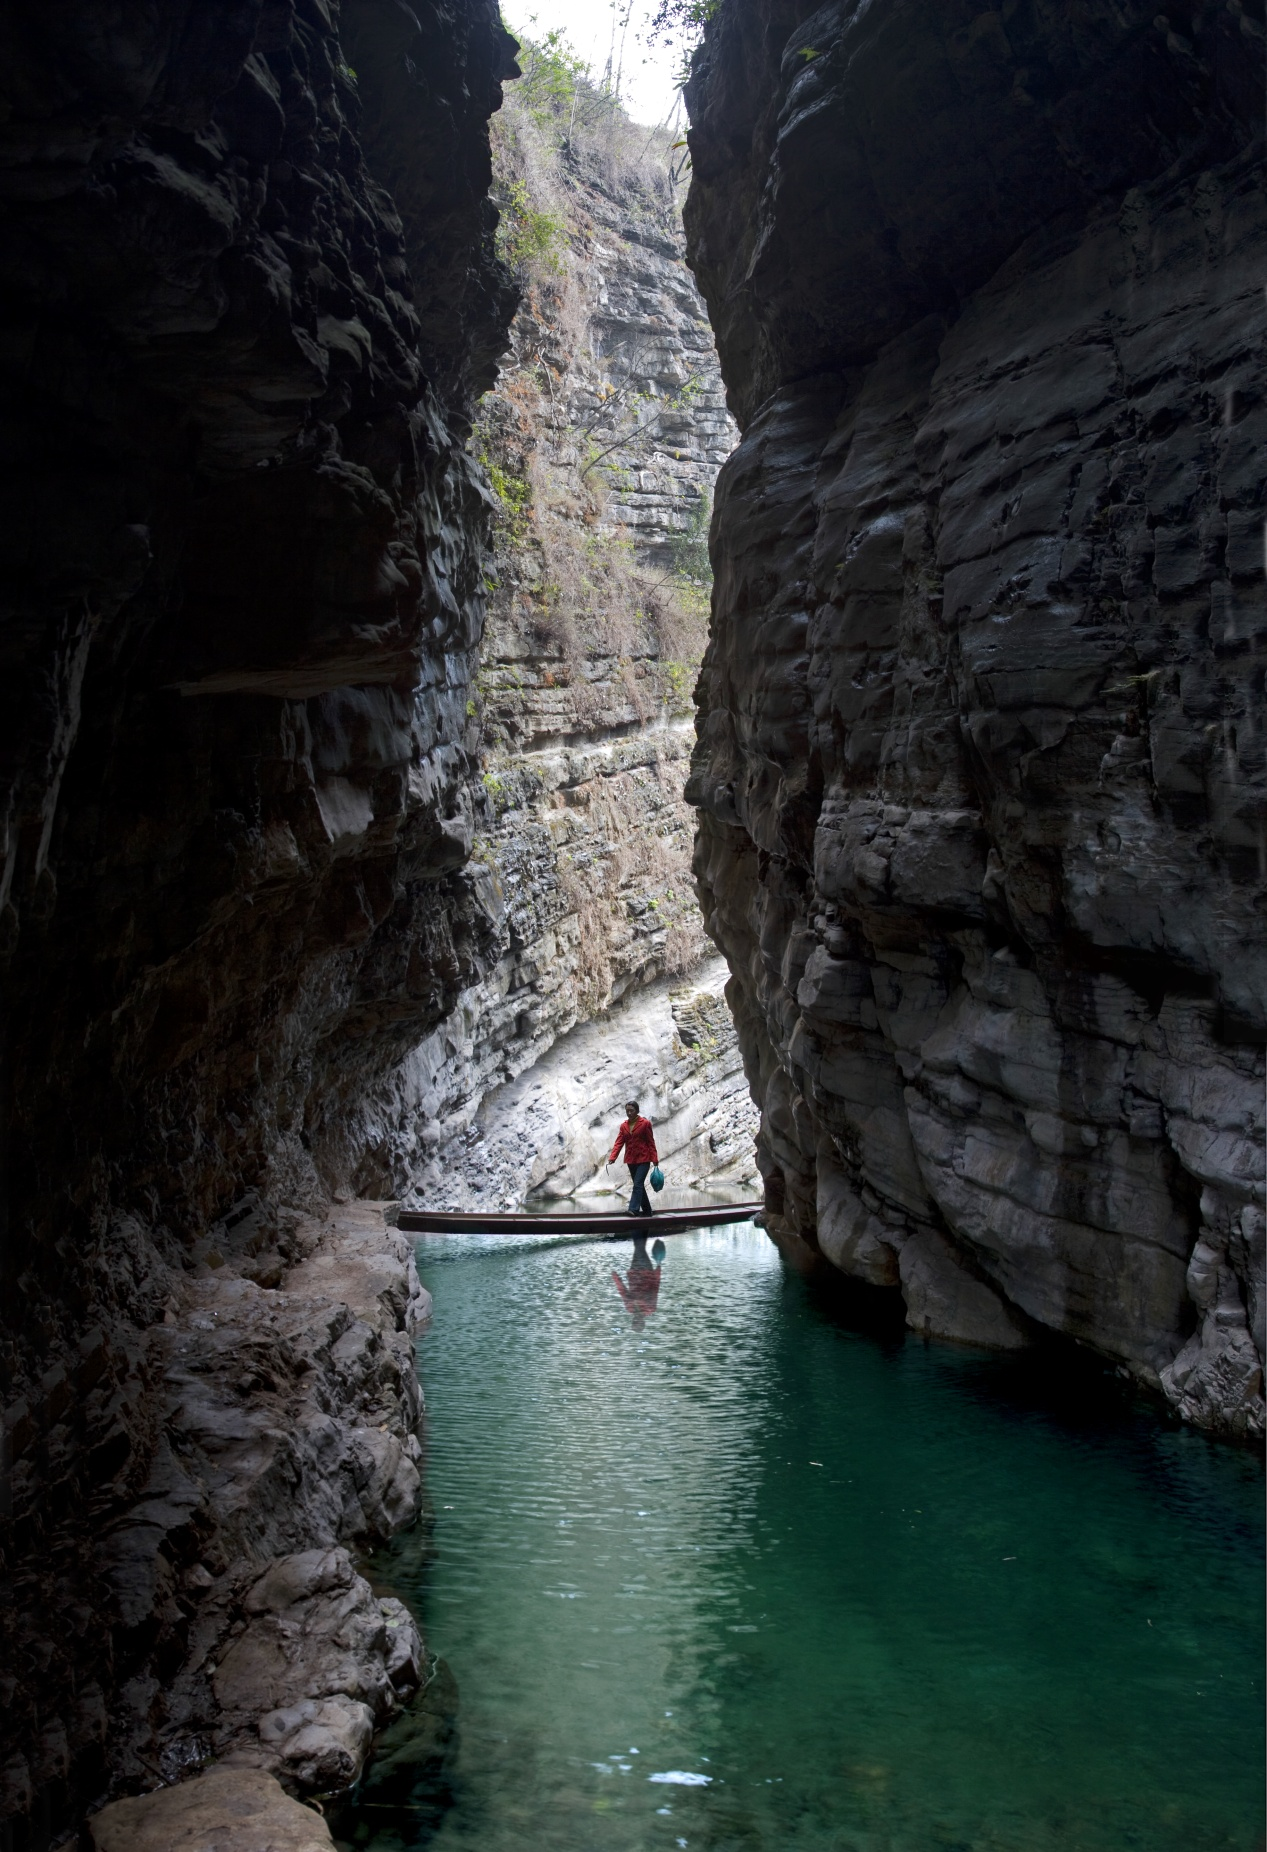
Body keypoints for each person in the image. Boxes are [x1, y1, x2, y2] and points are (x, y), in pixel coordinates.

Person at [609, 1099, 658, 1217]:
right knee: (639, 1185)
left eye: (631, 1110)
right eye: (627, 1111)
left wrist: (655, 1159)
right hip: (631, 1160)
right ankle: (647, 1211)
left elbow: (650, 1142)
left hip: (644, 1159)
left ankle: (633, 1209)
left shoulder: (645, 1123)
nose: (629, 1113)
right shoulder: (624, 1126)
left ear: (637, 1111)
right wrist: (613, 1157)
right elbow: (619, 1142)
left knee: (637, 1184)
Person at [611, 1232, 662, 1330]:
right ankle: (636, 1225)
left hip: (634, 1272)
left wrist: (616, 1278)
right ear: (643, 1322)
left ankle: (643, 1225)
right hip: (646, 1271)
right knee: (639, 1247)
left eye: (634, 1322)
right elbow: (654, 1290)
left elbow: (623, 1292)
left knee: (639, 1247)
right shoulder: (650, 1308)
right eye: (638, 1322)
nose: (636, 1320)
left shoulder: (630, 1308)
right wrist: (658, 1272)